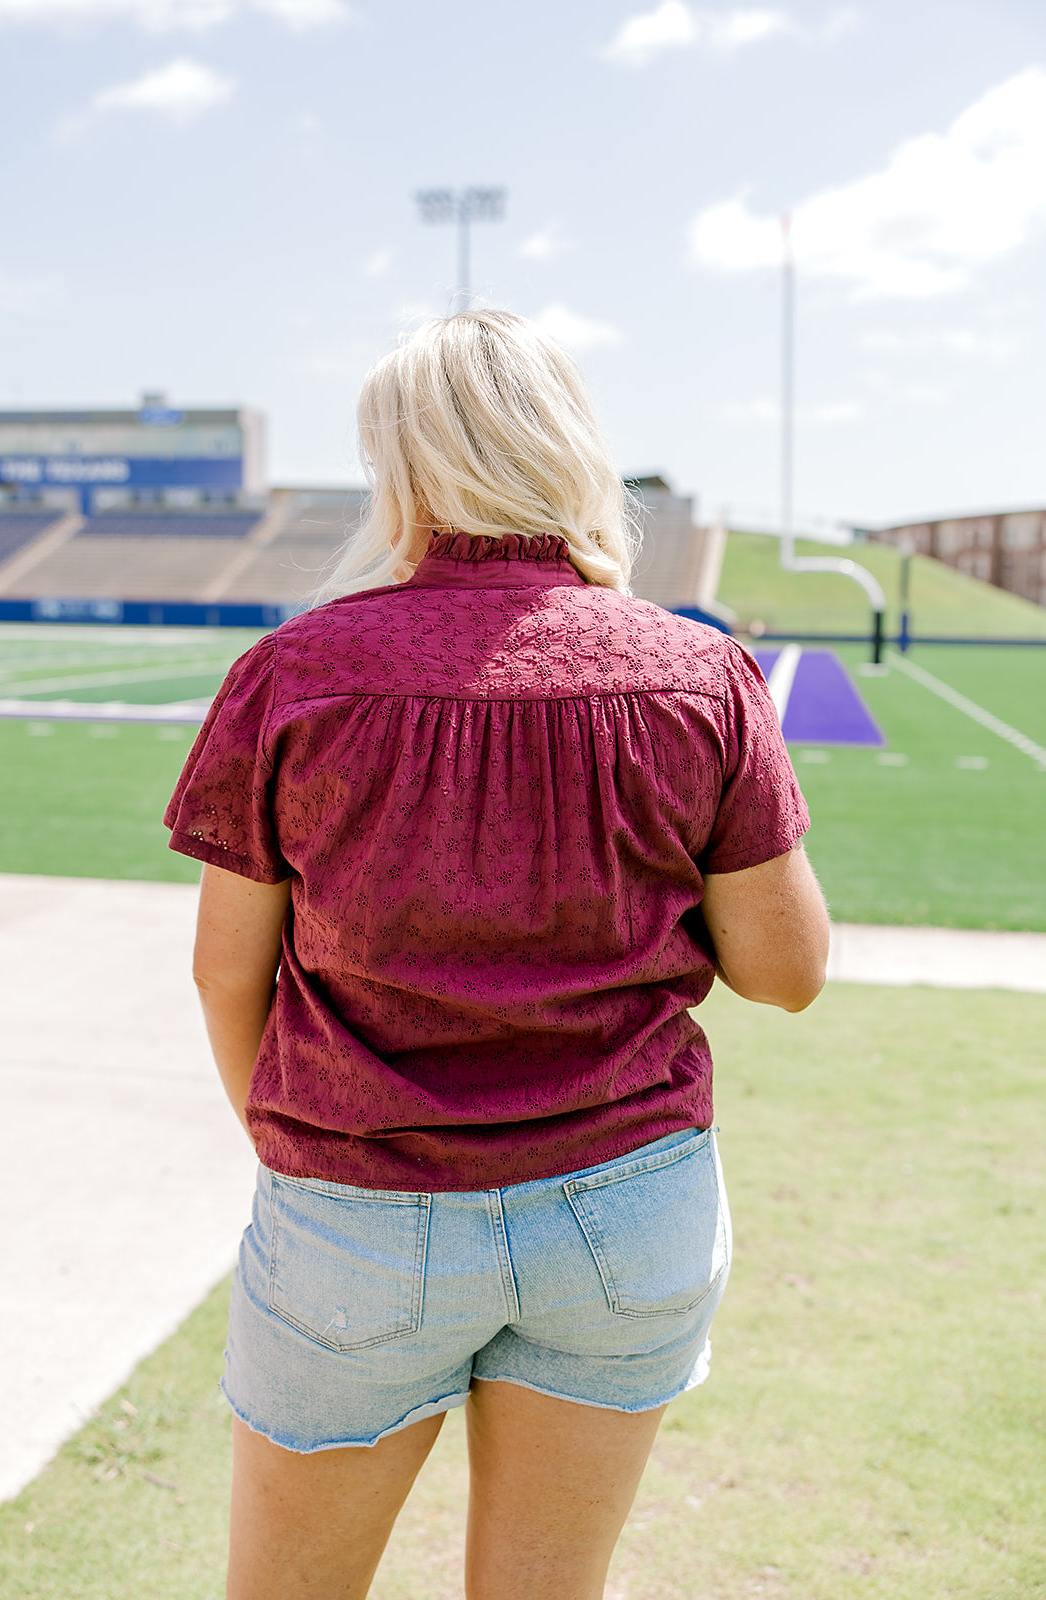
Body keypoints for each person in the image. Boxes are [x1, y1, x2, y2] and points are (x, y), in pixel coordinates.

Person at [164, 309, 830, 1600]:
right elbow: (788, 973)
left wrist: (299, 1143)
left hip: (360, 1206)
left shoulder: (291, 673)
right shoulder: (700, 673)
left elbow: (221, 968)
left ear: (397, 464)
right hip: (628, 1203)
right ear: (572, 445)